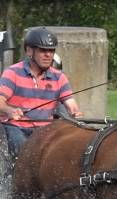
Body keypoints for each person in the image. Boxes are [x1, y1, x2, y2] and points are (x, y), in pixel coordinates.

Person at [0, 27, 83, 158]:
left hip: (45, 130)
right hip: (15, 127)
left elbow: (70, 103)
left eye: (51, 50)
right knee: (24, 149)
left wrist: (75, 112)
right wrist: (9, 110)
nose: (48, 55)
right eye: (43, 50)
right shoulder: (12, 73)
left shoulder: (59, 77)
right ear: (29, 51)